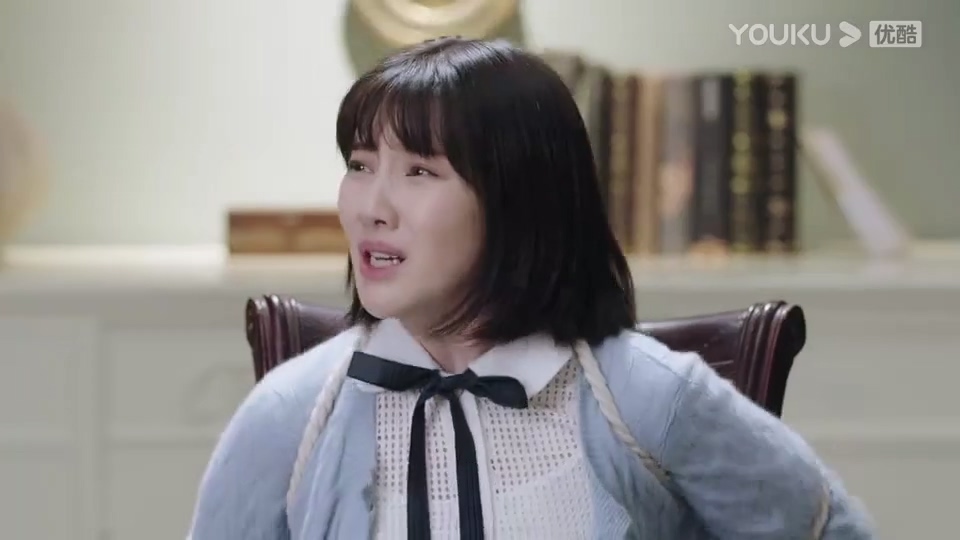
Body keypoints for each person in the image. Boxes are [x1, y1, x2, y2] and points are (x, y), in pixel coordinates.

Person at [188, 37, 875, 539]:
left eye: (420, 171)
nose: (372, 206)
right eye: (361, 165)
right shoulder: (290, 415)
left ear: (520, 197)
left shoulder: (648, 398)